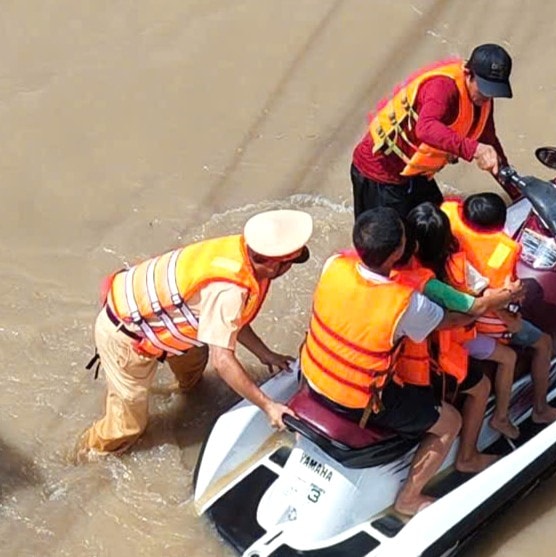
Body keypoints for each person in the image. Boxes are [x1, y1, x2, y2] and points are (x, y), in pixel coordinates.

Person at [76, 210, 313, 460]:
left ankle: (183, 393)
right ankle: (85, 454)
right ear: (274, 264)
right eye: (290, 263)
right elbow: (222, 361)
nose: (290, 268)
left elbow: (233, 321)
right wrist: (268, 406)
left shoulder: (242, 252)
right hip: (125, 335)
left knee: (193, 372)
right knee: (128, 425)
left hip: (163, 319)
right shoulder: (229, 292)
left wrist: (266, 354)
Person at [299, 207, 469, 516]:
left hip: (312, 377)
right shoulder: (407, 302)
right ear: (399, 253)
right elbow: (448, 321)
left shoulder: (333, 265)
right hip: (357, 403)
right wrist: (480, 307)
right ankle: (409, 498)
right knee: (450, 421)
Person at [442, 193, 556, 426]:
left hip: (457, 317)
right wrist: (513, 316)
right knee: (543, 343)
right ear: (501, 225)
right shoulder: (502, 252)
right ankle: (540, 409)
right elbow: (499, 298)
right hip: (487, 323)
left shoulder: (449, 222)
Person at [351, 43, 514, 220]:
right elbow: (426, 128)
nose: (488, 97)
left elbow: (489, 139)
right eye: (484, 89)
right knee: (390, 239)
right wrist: (474, 149)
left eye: (493, 92)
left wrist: (514, 188)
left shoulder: (482, 99)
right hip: (380, 173)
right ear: (468, 73)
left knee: (437, 225)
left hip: (416, 173)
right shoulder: (442, 88)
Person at [406, 202, 523, 439]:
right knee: (500, 368)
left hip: (413, 349)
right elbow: (481, 301)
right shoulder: (449, 271)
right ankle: (481, 440)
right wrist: (510, 295)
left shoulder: (402, 270)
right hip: (447, 348)